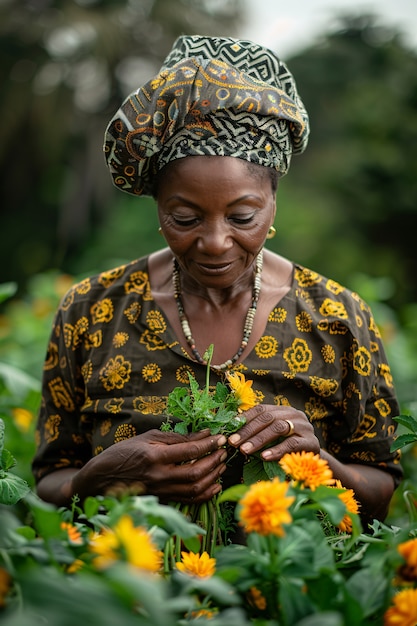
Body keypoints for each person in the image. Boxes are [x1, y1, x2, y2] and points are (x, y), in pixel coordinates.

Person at [32, 35, 402, 527]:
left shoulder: (337, 317)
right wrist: (97, 479)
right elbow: (48, 482)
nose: (215, 242)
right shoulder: (91, 311)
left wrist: (319, 466)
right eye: (184, 217)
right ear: (158, 205)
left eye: (242, 216)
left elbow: (382, 490)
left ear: (273, 201)